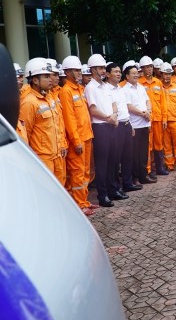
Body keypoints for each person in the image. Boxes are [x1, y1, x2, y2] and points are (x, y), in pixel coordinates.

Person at [84, 54, 125, 208]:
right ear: (93, 69)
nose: (103, 70)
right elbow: (93, 109)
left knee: (113, 161)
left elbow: (114, 103)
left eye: (103, 68)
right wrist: (109, 118)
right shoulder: (90, 87)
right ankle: (103, 195)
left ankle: (113, 190)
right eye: (100, 68)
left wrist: (114, 116)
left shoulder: (105, 86)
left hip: (111, 125)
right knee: (102, 163)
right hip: (100, 127)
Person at [59, 55, 96, 216]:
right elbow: (69, 119)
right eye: (75, 70)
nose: (79, 72)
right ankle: (79, 205)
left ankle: (84, 201)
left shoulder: (80, 89)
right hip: (78, 140)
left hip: (87, 136)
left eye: (79, 70)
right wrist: (76, 141)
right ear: (67, 72)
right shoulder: (66, 91)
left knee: (86, 171)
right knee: (77, 173)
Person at [20, 58, 65, 184]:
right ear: (35, 80)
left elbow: (57, 125)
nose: (51, 79)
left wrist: (61, 145)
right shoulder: (29, 102)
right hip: (43, 159)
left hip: (57, 156)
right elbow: (24, 135)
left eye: (50, 76)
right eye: (46, 76)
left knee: (59, 190)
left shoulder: (49, 98)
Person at [106, 62, 140, 193]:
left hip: (126, 124)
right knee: (115, 158)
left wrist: (130, 124)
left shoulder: (120, 88)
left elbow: (124, 108)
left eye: (119, 72)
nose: (118, 74)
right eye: (115, 72)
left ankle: (127, 183)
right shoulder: (106, 89)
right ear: (108, 74)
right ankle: (115, 187)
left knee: (127, 156)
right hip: (116, 126)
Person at [122, 61, 156, 185]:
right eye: (133, 73)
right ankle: (135, 178)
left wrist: (148, 111)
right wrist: (143, 113)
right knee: (134, 153)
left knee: (143, 152)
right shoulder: (125, 90)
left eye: (137, 73)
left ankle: (143, 175)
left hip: (144, 123)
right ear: (127, 76)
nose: (136, 75)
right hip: (134, 125)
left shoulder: (141, 87)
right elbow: (128, 106)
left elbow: (148, 101)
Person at [139, 55, 168, 177]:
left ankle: (160, 167)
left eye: (151, 66)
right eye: (146, 67)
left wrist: (164, 118)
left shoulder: (158, 82)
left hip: (158, 119)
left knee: (159, 143)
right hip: (146, 120)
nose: (149, 69)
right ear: (142, 69)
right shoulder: (139, 84)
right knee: (148, 145)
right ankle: (148, 169)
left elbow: (163, 102)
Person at [159, 62, 176, 170]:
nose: (168, 76)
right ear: (161, 74)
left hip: (175, 119)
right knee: (166, 144)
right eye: (165, 74)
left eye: (169, 74)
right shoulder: (159, 87)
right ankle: (169, 164)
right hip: (163, 121)